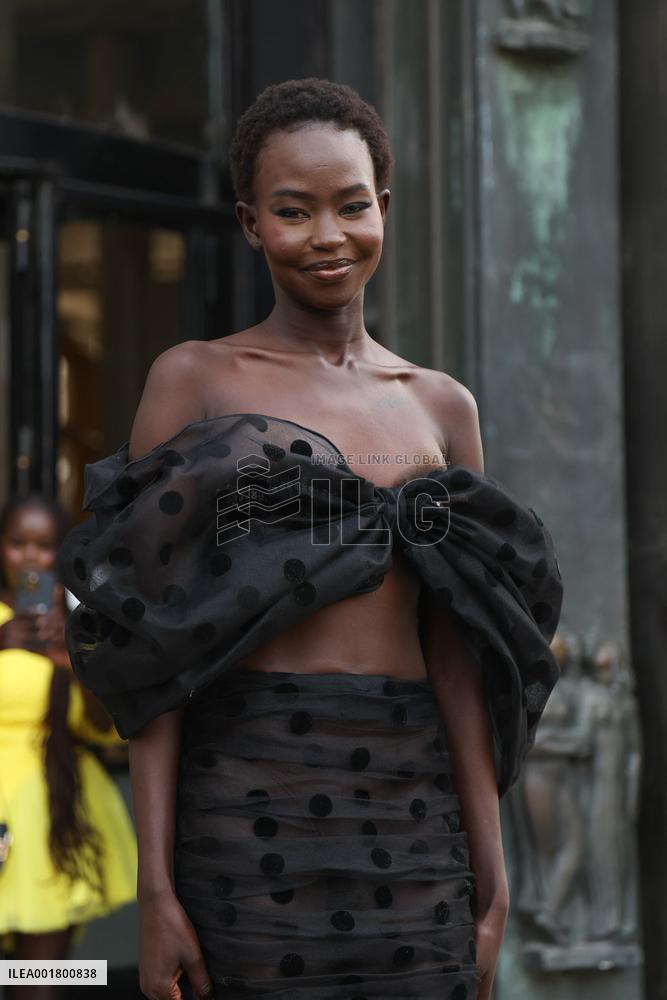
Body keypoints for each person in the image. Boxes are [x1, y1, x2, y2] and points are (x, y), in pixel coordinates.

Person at [57, 78, 563, 1000]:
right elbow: (155, 651)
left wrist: (491, 879)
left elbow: (460, 653)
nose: (327, 235)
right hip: (248, 805)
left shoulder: (441, 405)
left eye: (350, 205)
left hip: (415, 816)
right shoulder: (194, 379)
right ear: (251, 224)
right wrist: (157, 885)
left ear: (384, 208)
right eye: (293, 211)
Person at [0, 493, 137, 999]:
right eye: (18, 544)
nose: (31, 558)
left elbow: (107, 729)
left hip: (53, 825)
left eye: (45, 546)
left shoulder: (80, 626)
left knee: (40, 982)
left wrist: (71, 660)